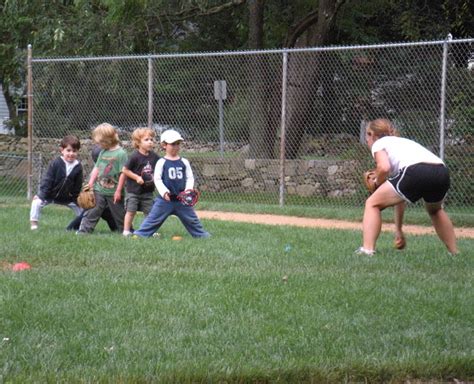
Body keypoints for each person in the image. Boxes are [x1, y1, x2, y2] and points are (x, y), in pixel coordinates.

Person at [356, 118, 458, 255]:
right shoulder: (401, 143)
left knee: (372, 204)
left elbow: (384, 167)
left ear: (373, 135)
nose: (367, 139)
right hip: (441, 171)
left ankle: (367, 250)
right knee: (435, 211)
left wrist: (377, 183)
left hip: (415, 170)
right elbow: (400, 197)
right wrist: (399, 230)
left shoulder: (378, 143)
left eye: (368, 134)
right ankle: (454, 252)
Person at [133, 129, 209, 238]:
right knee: (153, 219)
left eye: (178, 144)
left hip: (182, 200)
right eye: (173, 144)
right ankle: (141, 234)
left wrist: (188, 190)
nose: (176, 147)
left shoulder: (184, 162)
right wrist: (164, 192)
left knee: (192, 220)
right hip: (165, 200)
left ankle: (201, 235)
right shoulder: (161, 162)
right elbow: (157, 179)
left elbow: (190, 177)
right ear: (164, 145)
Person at [77, 123, 127, 234]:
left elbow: (123, 173)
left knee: (119, 214)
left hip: (114, 191)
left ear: (108, 140)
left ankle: (126, 231)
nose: (98, 145)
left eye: (100, 142)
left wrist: (119, 191)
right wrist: (90, 183)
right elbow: (97, 168)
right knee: (93, 210)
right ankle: (84, 231)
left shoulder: (121, 154)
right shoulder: (103, 152)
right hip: (99, 189)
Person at [30, 135, 83, 230]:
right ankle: (34, 225)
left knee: (83, 211)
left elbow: (77, 185)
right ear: (62, 150)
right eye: (68, 150)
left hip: (67, 197)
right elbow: (48, 180)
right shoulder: (56, 163)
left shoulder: (78, 166)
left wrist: (76, 199)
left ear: (78, 151)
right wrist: (42, 195)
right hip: (50, 195)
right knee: (36, 202)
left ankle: (82, 226)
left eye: (74, 151)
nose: (71, 154)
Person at [66, 144, 118, 232]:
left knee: (108, 214)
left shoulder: (109, 168)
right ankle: (72, 228)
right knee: (94, 211)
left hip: (107, 201)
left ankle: (71, 228)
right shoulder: (99, 171)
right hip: (99, 200)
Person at [121, 127, 160, 236]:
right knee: (131, 211)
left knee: (150, 213)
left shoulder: (154, 156)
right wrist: (137, 177)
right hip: (134, 191)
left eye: (151, 139)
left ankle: (150, 231)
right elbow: (125, 170)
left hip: (148, 191)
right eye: (146, 140)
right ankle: (126, 231)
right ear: (138, 142)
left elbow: (161, 165)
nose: (150, 142)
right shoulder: (134, 156)